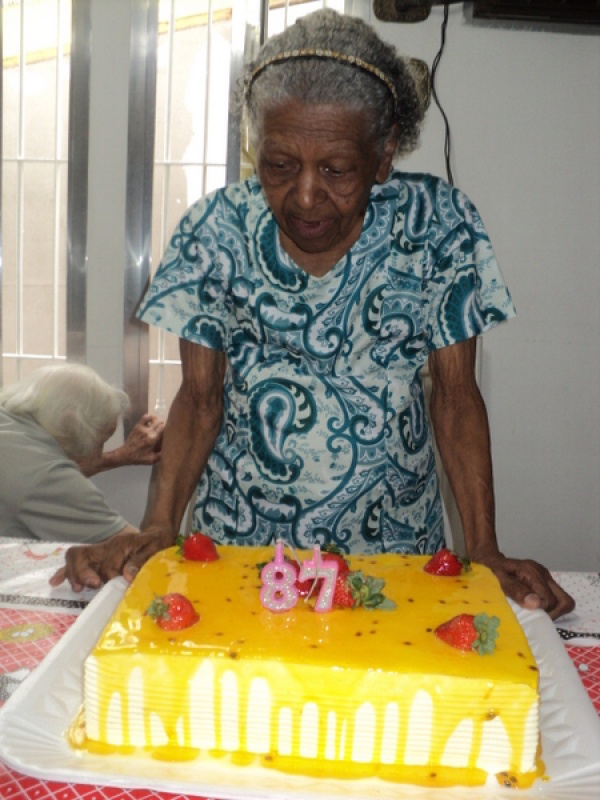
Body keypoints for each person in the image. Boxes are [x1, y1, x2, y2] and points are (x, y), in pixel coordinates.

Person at [51, 10, 574, 618]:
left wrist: (483, 548)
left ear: (382, 156)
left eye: (336, 170)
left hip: (396, 563)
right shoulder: (216, 231)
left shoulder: (437, 226)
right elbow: (200, 399)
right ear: (255, 149)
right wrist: (159, 526)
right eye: (278, 165)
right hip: (240, 562)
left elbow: (456, 397)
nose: (303, 195)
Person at [0, 363, 164, 542]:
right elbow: (134, 547)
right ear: (71, 426)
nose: (99, 451)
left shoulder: (11, 424)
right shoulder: (43, 476)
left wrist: (121, 456)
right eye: (101, 441)